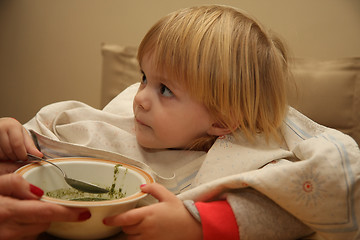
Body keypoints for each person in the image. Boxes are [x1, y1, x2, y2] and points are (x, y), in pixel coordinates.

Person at [0, 5, 359, 240]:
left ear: (221, 120)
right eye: (144, 77)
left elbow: (293, 209)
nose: (140, 97)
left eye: (165, 90)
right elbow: (48, 145)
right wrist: (16, 142)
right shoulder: (124, 118)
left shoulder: (249, 160)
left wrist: (196, 224)